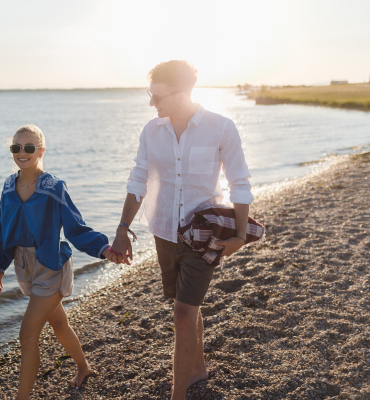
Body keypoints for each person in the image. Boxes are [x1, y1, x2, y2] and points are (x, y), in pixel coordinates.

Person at [109, 61, 254, 400]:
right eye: (150, 95)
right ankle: (198, 368)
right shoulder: (151, 130)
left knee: (182, 315)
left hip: (204, 235)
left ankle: (178, 395)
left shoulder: (221, 127)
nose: (151, 103)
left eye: (157, 96)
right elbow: (138, 179)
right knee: (185, 305)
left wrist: (240, 235)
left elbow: (240, 182)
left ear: (183, 92)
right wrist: (121, 228)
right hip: (163, 233)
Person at [0, 124, 114, 400]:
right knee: (59, 324)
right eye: (16, 148)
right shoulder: (9, 186)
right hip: (24, 266)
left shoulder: (54, 187)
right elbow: (2, 226)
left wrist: (104, 249)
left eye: (29, 148)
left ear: (41, 151)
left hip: (49, 265)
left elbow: (75, 227)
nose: (22, 153)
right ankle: (84, 367)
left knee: (27, 335)